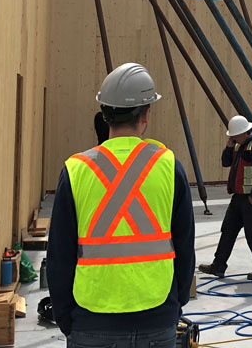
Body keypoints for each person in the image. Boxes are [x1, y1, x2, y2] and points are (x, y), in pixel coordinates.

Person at [48, 63, 195, 348]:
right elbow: (185, 246)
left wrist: (67, 319)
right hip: (157, 315)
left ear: (104, 114)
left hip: (91, 320)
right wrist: (174, 305)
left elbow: (59, 256)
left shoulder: (77, 169)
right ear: (147, 113)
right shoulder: (168, 166)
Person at [197, 115, 252, 280]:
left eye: (235, 135)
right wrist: (228, 147)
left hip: (251, 198)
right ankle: (218, 266)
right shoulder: (239, 145)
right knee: (228, 230)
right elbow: (225, 162)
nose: (232, 137)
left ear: (244, 132)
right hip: (238, 197)